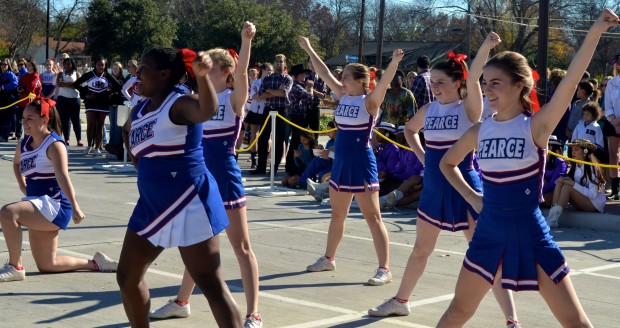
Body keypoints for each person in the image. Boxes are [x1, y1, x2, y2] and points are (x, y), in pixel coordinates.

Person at [435, 10, 618, 327]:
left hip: (530, 234)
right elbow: (446, 163)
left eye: (496, 83)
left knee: (575, 322)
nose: (488, 90)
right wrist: (473, 197)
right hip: (488, 232)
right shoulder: (480, 130)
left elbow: (573, 78)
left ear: (520, 85)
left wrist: (595, 32)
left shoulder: (536, 126)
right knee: (457, 312)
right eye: (485, 83)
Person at [369, 33, 519, 327]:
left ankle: (512, 320)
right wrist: (425, 158)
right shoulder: (429, 109)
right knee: (421, 250)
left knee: (486, 255)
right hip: (436, 187)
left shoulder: (468, 108)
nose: (434, 87)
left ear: (457, 84)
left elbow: (475, 77)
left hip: (465, 187)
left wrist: (486, 47)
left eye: (440, 82)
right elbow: (410, 131)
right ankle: (400, 301)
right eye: (432, 82)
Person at [115, 47, 242, 327]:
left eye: (144, 69)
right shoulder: (140, 109)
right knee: (127, 275)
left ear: (164, 74)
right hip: (152, 203)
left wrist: (202, 76)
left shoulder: (180, 103)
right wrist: (139, 162)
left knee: (211, 284)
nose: (137, 74)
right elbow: (127, 130)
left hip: (188, 200)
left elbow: (206, 110)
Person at [149, 23, 262, 328]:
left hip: (225, 177)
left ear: (225, 72)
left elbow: (242, 76)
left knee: (241, 247)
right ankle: (182, 302)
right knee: (197, 245)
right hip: (198, 179)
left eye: (209, 69)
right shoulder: (197, 101)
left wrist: (245, 41)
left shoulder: (233, 100)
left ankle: (253, 314)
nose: (203, 74)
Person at [299, 36, 401, 286]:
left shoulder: (369, 101)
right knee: (337, 214)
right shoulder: (343, 96)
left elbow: (385, 82)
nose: (341, 79)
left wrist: (395, 62)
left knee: (373, 218)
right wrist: (309, 48)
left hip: (362, 163)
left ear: (360, 81)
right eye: (341, 76)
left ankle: (384, 269)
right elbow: (322, 71)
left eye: (345, 76)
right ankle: (329, 258)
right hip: (342, 163)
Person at [0, 97, 117, 282]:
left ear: (44, 119)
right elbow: (16, 164)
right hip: (37, 205)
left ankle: (15, 266)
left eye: (30, 118)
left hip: (55, 206)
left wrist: (75, 206)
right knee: (48, 265)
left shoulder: (54, 144)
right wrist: (22, 185)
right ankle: (96, 263)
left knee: (8, 213)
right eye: (23, 118)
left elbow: (63, 177)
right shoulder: (24, 144)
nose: (24, 122)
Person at [546, 139, 606, 228]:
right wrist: (564, 181)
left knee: (568, 187)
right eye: (572, 150)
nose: (573, 152)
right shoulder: (575, 166)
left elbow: (593, 194)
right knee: (560, 182)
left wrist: (573, 184)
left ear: (584, 151)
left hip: (595, 204)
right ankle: (552, 217)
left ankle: (553, 219)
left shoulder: (592, 168)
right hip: (584, 200)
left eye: (576, 150)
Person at [251, 54, 293, 175]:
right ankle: (261, 167)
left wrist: (270, 91)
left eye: (281, 61)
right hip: (268, 109)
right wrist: (275, 91)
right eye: (277, 61)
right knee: (263, 137)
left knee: (279, 139)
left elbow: (284, 93)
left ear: (284, 63)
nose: (279, 63)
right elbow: (261, 94)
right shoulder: (268, 79)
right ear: (274, 63)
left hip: (281, 110)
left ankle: (273, 169)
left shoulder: (287, 78)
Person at [74, 56, 122, 156]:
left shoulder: (107, 75)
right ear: (95, 65)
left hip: (103, 102)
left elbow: (118, 86)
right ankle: (89, 146)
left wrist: (110, 92)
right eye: (99, 64)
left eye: (103, 65)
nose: (101, 66)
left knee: (100, 125)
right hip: (91, 102)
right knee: (90, 124)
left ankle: (97, 148)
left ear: (105, 66)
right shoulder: (89, 74)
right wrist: (85, 93)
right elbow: (76, 84)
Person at [284, 63, 314, 176]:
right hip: (297, 116)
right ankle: (291, 165)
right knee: (296, 141)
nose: (304, 76)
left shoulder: (296, 85)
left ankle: (291, 165)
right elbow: (310, 98)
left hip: (294, 115)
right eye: (302, 74)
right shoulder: (296, 86)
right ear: (297, 75)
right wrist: (310, 88)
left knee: (294, 142)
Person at [244, 63, 273, 168]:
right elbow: (255, 96)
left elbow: (270, 96)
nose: (270, 72)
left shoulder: (272, 82)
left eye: (271, 70)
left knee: (267, 135)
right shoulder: (256, 82)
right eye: (268, 69)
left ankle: (265, 157)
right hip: (255, 110)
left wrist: (264, 95)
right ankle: (253, 159)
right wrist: (264, 95)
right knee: (254, 134)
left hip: (266, 110)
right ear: (263, 70)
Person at [56, 57, 82, 146]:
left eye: (69, 64)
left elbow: (78, 85)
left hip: (74, 99)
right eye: (65, 64)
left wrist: (65, 84)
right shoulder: (60, 74)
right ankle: (67, 139)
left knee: (76, 120)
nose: (67, 65)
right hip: (63, 99)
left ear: (72, 64)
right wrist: (72, 84)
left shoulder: (77, 73)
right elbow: (59, 83)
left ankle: (79, 139)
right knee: (65, 120)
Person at [605, 53, 620, 200]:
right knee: (613, 155)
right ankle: (615, 189)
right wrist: (613, 121)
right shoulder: (612, 83)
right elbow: (608, 105)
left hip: (617, 122)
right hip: (613, 123)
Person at [16, 60, 42, 141]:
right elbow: (19, 85)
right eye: (27, 66)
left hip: (31, 102)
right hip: (22, 101)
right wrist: (20, 89)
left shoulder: (35, 76)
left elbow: (32, 87)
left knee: (30, 120)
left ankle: (29, 136)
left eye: (30, 65)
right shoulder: (24, 76)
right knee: (20, 119)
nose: (28, 67)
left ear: (33, 66)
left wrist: (24, 88)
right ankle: (20, 136)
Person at [541, 136, 567, 207]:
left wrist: (538, 191)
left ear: (550, 147)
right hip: (542, 192)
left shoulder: (560, 163)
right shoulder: (542, 160)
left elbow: (553, 184)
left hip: (551, 194)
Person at [0, 58, 19, 142]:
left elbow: (15, 84)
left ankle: (4, 136)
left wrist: (4, 87)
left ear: (8, 65)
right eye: (2, 64)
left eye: (5, 64)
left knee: (5, 118)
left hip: (7, 99)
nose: (3, 66)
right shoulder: (0, 74)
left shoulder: (10, 74)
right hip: (0, 98)